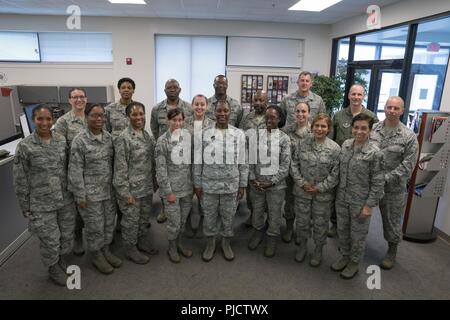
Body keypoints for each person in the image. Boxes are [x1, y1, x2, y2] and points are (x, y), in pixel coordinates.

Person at [13, 105, 76, 286]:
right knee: (50, 239)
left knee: (66, 234)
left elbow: (68, 168)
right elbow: (20, 179)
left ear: (53, 120)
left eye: (48, 119)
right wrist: (25, 206)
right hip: (41, 203)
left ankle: (61, 259)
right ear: (33, 120)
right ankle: (53, 268)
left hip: (64, 199)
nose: (45, 123)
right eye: (40, 119)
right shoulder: (25, 146)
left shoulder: (61, 140)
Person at [68, 104, 121, 275]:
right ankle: (96, 254)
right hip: (90, 194)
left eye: (101, 116)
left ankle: (105, 249)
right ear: (87, 117)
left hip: (108, 191)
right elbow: (75, 170)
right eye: (94, 115)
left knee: (107, 224)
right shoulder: (80, 140)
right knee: (94, 227)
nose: (99, 119)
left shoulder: (109, 138)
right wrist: (80, 196)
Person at [332, 113, 385, 279]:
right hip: (342, 198)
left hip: (360, 202)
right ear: (352, 129)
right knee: (343, 230)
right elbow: (339, 172)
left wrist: (369, 206)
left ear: (370, 130)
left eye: (364, 128)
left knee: (358, 235)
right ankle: (345, 256)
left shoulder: (375, 153)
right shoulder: (346, 145)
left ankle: (354, 263)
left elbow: (378, 182)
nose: (359, 131)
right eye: (356, 127)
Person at [194, 100, 248, 262]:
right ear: (214, 113)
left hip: (230, 184)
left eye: (225, 111)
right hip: (209, 184)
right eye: (219, 111)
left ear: (230, 113)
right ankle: (210, 243)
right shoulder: (203, 134)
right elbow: (197, 161)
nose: (222, 114)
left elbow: (243, 161)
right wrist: (197, 183)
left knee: (229, 215)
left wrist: (243, 183)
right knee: (209, 215)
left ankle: (226, 243)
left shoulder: (239, 134)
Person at [370, 96, 419, 270]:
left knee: (390, 221)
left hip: (392, 188)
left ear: (402, 111)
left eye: (396, 108)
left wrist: (385, 178)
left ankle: (392, 250)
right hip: (368, 185)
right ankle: (353, 246)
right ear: (384, 107)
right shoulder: (373, 129)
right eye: (389, 107)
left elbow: (408, 165)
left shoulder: (408, 136)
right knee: (360, 217)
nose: (391, 111)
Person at [328, 84, 379, 237]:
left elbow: (376, 140)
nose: (356, 97)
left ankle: (355, 230)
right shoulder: (339, 115)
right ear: (349, 95)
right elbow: (331, 139)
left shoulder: (371, 117)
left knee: (358, 202)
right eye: (353, 94)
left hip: (362, 165)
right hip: (342, 162)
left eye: (359, 94)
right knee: (338, 197)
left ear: (363, 96)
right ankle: (336, 224)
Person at [290, 113, 340, 267]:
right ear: (311, 127)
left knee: (320, 224)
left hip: (322, 196)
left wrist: (320, 188)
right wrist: (302, 183)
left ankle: (318, 250)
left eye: (323, 126)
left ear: (328, 129)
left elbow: (335, 174)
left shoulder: (335, 149)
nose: (319, 129)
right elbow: (294, 165)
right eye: (317, 126)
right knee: (302, 222)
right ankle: (303, 247)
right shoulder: (302, 144)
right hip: (302, 192)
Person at [113, 102, 158, 265]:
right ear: (128, 117)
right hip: (131, 190)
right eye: (134, 115)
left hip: (145, 188)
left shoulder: (146, 136)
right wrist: (125, 194)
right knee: (130, 221)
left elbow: (151, 162)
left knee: (143, 218)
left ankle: (141, 241)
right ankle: (130, 248)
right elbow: (120, 169)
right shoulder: (123, 138)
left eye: (141, 114)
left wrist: (154, 182)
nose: (139, 117)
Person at [247, 105, 290, 257]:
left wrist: (272, 182)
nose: (269, 120)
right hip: (257, 184)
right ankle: (257, 233)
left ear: (279, 119)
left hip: (275, 186)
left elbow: (285, 166)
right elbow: (250, 159)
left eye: (272, 117)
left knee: (274, 214)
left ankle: (271, 239)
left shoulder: (284, 139)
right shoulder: (256, 136)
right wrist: (252, 178)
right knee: (257, 211)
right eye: (267, 117)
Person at [155, 108, 194, 263]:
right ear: (167, 121)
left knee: (183, 221)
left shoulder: (187, 137)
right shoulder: (162, 141)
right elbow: (160, 169)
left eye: (180, 120)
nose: (177, 123)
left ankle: (179, 244)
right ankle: (171, 247)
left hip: (187, 188)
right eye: (174, 120)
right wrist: (167, 191)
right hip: (172, 190)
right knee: (174, 222)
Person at [151, 79, 192, 224]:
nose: (172, 89)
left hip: (182, 155)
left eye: (175, 87)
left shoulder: (188, 107)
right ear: (164, 90)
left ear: (180, 89)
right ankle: (165, 209)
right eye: (169, 87)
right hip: (166, 149)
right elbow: (154, 129)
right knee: (165, 179)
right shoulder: (157, 109)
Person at [53, 87, 88, 256]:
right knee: (75, 208)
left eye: (81, 96)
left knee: (90, 205)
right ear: (69, 100)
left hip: (93, 172)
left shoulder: (93, 117)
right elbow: (59, 149)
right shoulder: (63, 122)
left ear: (86, 99)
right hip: (73, 171)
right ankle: (77, 237)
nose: (78, 100)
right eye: (75, 97)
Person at [105, 77, 136, 236]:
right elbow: (106, 132)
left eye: (129, 87)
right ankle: (118, 220)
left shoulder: (136, 108)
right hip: (115, 154)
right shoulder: (110, 109)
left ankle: (131, 218)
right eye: (123, 87)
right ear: (119, 90)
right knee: (118, 186)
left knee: (130, 186)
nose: (126, 90)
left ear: (133, 90)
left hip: (133, 156)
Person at [183, 94, 215, 238]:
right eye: (197, 104)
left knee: (204, 196)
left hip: (204, 167)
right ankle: (189, 222)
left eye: (202, 104)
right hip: (186, 165)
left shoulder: (213, 124)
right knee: (187, 195)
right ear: (192, 105)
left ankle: (203, 221)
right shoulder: (184, 123)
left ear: (207, 107)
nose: (199, 107)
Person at [281, 101, 311, 243]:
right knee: (289, 201)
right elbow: (285, 155)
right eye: (298, 111)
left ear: (309, 114)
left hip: (307, 174)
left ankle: (302, 231)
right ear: (293, 113)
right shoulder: (287, 131)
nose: (300, 114)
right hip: (289, 175)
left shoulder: (315, 131)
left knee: (305, 203)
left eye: (303, 111)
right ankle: (288, 227)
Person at [239, 90, 269, 227]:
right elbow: (241, 138)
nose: (258, 103)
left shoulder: (272, 117)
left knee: (266, 193)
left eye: (261, 100)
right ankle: (253, 216)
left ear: (266, 101)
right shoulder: (247, 118)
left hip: (267, 163)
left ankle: (267, 219)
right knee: (251, 193)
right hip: (250, 161)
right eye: (255, 100)